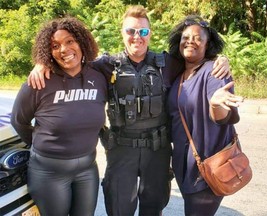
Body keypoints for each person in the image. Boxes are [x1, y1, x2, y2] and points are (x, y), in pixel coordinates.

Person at [27, 6, 231, 216]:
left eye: (143, 31)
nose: (137, 37)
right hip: (121, 150)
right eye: (130, 31)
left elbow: (196, 57)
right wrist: (42, 63)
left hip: (157, 150)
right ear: (122, 34)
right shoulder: (105, 66)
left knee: (153, 207)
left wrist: (220, 59)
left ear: (149, 34)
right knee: (119, 208)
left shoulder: (168, 63)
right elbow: (71, 60)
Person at [11, 17, 107, 216]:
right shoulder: (38, 82)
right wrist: (40, 144)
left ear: (82, 42)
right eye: (55, 45)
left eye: (70, 41)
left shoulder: (98, 77)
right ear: (48, 52)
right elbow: (18, 121)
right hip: (48, 172)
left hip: (87, 169)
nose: (64, 49)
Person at [167, 15, 244, 215]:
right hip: (185, 167)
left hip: (207, 169)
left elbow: (222, 117)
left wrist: (216, 104)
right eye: (185, 37)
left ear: (207, 43)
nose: (190, 41)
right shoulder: (179, 73)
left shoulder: (214, 71)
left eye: (197, 37)